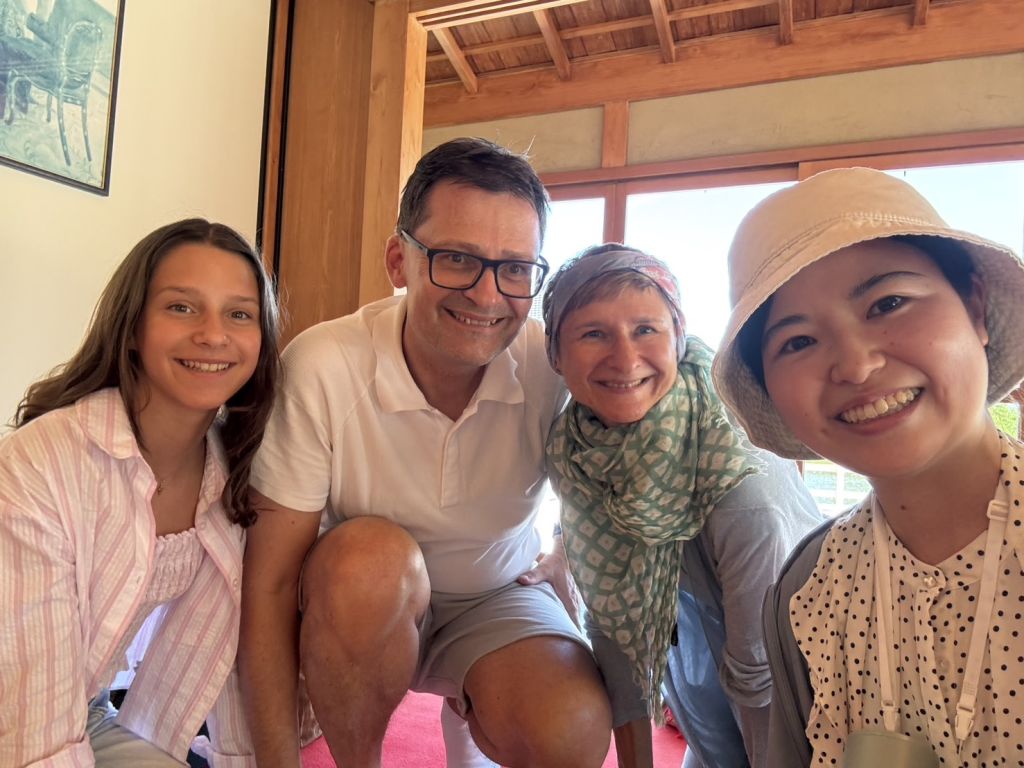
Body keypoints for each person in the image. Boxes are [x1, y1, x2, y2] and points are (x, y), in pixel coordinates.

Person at [239, 137, 613, 768]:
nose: (487, 296)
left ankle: (470, 710)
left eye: (515, 269)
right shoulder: (324, 365)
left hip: (497, 592)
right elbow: (270, 582)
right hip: (359, 605)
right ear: (399, 261)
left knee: (571, 730)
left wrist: (567, 550)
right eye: (457, 259)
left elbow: (621, 455)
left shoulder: (549, 361)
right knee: (369, 562)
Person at [712, 167, 1024, 768]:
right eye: (798, 342)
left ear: (976, 308)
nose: (855, 366)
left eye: (889, 303)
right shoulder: (809, 590)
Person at [0, 218, 281, 767]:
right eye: (181, 307)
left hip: (79, 710)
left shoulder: (233, 466)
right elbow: (30, 721)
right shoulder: (41, 463)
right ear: (132, 327)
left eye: (239, 314)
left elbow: (229, 647)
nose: (213, 335)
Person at [541, 244, 823, 768]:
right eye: (593, 333)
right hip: (708, 695)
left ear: (679, 334)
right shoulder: (579, 454)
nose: (625, 359)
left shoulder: (741, 487)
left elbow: (762, 679)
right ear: (555, 353)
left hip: (803, 720)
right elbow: (614, 635)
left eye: (645, 329)